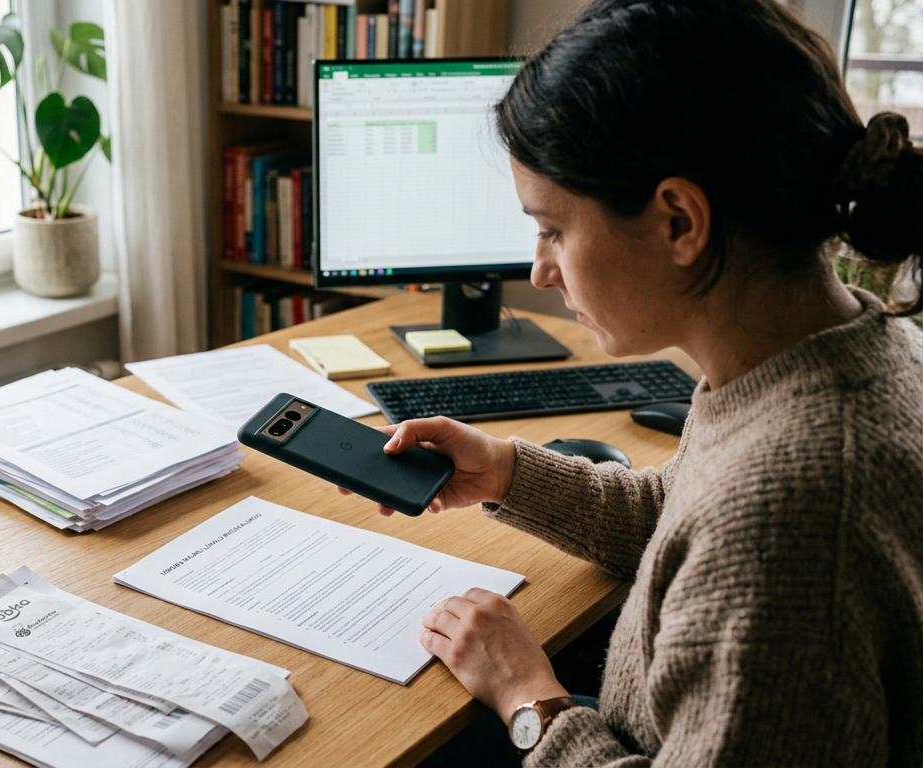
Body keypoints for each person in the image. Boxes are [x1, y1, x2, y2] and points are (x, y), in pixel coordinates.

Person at [343, 0, 923, 764]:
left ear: (680, 221)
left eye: (552, 228)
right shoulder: (835, 349)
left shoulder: (792, 518)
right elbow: (683, 519)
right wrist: (507, 474)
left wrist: (530, 700)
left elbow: (737, 536)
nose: (539, 270)